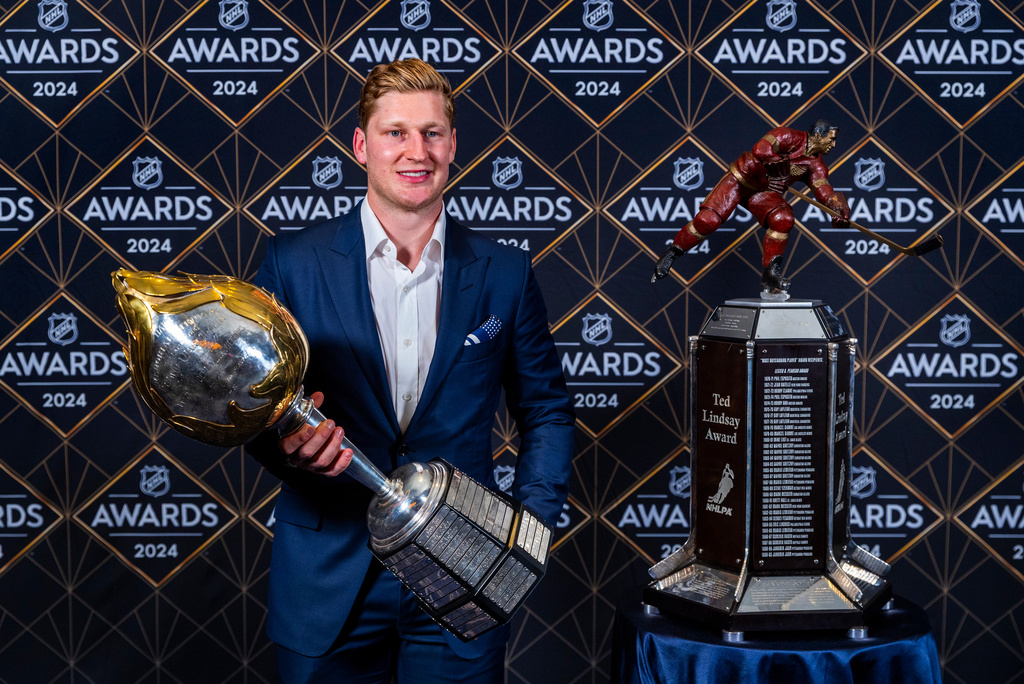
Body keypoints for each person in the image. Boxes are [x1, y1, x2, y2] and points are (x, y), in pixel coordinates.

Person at [247, 58, 575, 683]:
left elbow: (547, 409)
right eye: (396, 132)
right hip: (327, 575)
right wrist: (287, 444)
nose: (415, 151)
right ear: (362, 145)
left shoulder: (505, 273)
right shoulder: (293, 263)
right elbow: (256, 404)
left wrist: (524, 529)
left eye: (431, 133)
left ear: (453, 144)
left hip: (462, 573)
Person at [651, 119, 850, 294]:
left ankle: (770, 273)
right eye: (831, 139)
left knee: (784, 219)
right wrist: (780, 162)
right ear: (817, 135)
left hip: (764, 193)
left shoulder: (816, 165)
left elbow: (823, 189)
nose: (833, 145)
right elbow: (760, 149)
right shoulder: (788, 135)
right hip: (741, 179)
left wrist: (837, 206)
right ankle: (671, 254)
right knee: (707, 222)